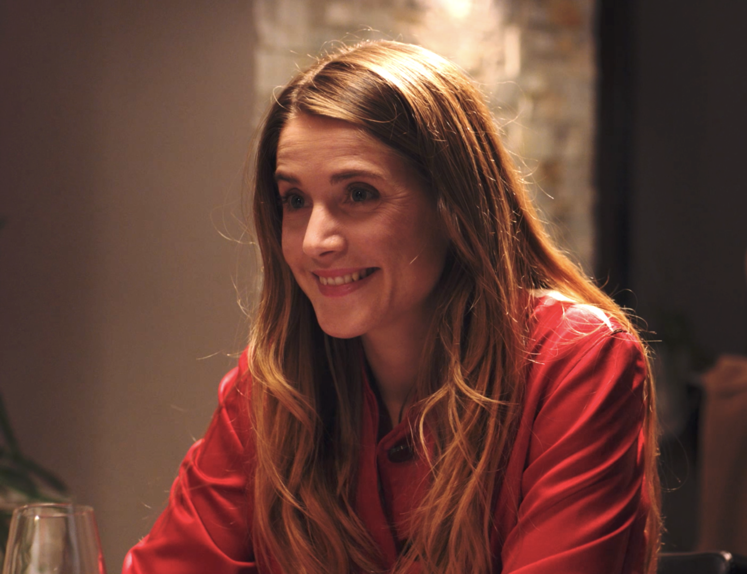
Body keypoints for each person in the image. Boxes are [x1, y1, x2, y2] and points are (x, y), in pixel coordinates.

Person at [122, 41, 659, 574]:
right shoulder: (272, 388)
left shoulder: (576, 359)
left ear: (452, 207)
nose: (315, 241)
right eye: (295, 200)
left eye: (359, 194)